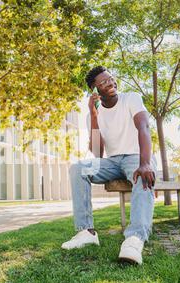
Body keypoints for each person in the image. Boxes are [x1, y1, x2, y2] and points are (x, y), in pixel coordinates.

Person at [61, 66, 156, 265]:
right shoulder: (92, 115)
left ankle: (135, 238)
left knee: (142, 175)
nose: (110, 83)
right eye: (103, 82)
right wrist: (94, 115)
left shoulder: (131, 98)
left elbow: (143, 127)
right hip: (112, 161)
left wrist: (145, 163)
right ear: (95, 91)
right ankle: (87, 232)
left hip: (136, 156)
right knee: (78, 168)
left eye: (111, 79)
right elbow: (97, 153)